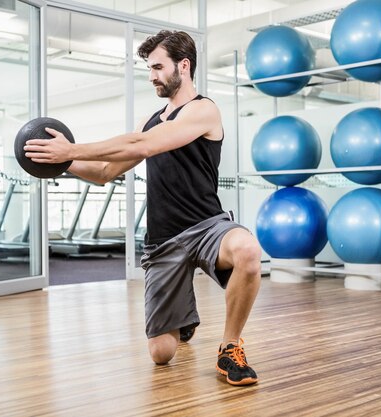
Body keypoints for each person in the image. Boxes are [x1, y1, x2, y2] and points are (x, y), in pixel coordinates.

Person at [24, 30, 262, 386]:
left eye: (157, 67)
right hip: (164, 241)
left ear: (184, 65)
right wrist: (58, 164)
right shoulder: (150, 119)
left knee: (247, 250)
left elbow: (145, 145)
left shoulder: (203, 110)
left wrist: (72, 149)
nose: (151, 76)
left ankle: (230, 347)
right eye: (149, 68)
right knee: (161, 354)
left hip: (208, 227)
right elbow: (105, 172)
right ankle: (183, 319)